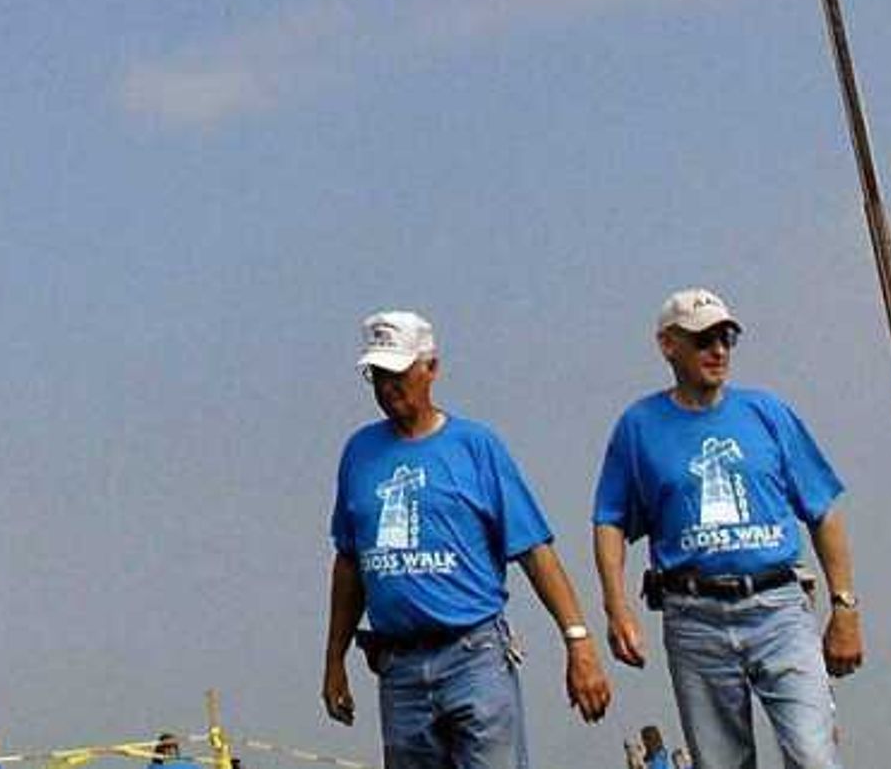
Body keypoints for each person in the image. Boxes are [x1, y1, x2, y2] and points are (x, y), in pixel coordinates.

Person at [323, 309, 612, 769]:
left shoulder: (475, 447)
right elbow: (349, 562)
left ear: (430, 368)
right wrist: (334, 659)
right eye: (377, 375)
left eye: (398, 373)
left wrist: (578, 641)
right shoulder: (359, 454)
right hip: (399, 669)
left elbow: (534, 551)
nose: (388, 386)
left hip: (473, 658)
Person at [590, 290, 858, 769]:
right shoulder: (639, 427)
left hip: (777, 607)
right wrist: (615, 606)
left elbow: (822, 509)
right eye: (703, 339)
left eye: (726, 337)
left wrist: (844, 605)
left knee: (814, 756)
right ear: (668, 345)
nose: (718, 350)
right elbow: (610, 520)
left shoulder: (767, 413)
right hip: (694, 617)